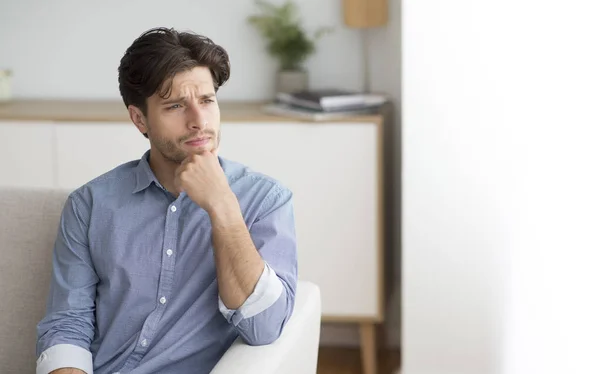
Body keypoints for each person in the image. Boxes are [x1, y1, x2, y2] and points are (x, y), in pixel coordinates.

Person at [35, 27, 298, 374]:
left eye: (207, 101)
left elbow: (265, 327)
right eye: (176, 106)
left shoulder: (265, 199)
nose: (199, 121)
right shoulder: (90, 204)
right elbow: (67, 325)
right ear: (139, 118)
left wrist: (223, 207)